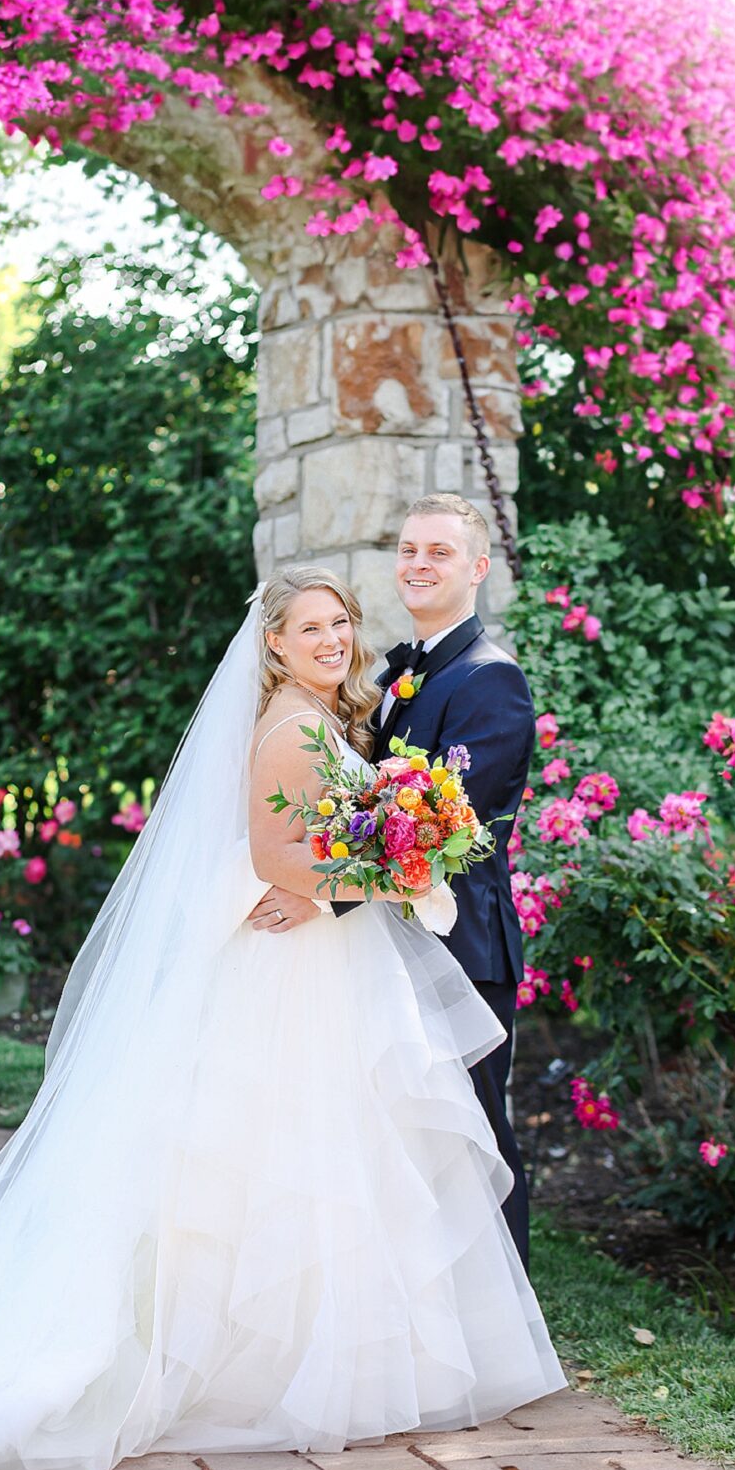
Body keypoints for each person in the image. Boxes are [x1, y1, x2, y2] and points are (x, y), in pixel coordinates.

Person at [0, 566, 564, 1470]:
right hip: (291, 977)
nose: (331, 641)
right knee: (288, 1157)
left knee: (334, 1153)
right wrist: (388, 878)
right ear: (271, 643)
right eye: (310, 627)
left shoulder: (316, 721)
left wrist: (368, 875)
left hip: (317, 960)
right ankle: (259, 1366)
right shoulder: (290, 728)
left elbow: (304, 858)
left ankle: (331, 1358)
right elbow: (278, 855)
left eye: (340, 624)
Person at [250, 500, 536, 1269]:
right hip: (389, 942)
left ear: (477, 568)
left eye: (438, 552)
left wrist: (318, 891)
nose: (417, 562)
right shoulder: (395, 674)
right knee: (410, 1138)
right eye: (408, 548)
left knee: (472, 1134)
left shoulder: (490, 681)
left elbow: (448, 832)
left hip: (462, 945)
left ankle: (509, 1318)